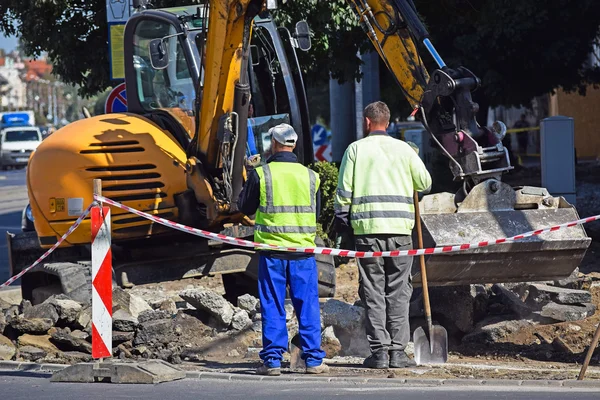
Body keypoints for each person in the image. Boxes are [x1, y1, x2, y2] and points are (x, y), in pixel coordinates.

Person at [334, 101, 432, 369]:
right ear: (387, 122)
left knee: (373, 291)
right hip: (400, 231)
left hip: (367, 232)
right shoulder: (404, 150)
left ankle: (379, 354)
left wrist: (343, 224)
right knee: (399, 291)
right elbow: (425, 183)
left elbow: (343, 194)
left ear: (367, 122)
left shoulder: (355, 150)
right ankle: (398, 353)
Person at [238, 123, 329, 376]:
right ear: (294, 145)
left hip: (272, 252)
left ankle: (273, 361)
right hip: (302, 253)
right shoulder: (311, 176)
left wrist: (248, 173)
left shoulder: (262, 174)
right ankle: (312, 360)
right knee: (307, 305)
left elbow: (244, 207)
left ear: (274, 144)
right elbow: (316, 212)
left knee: (273, 305)